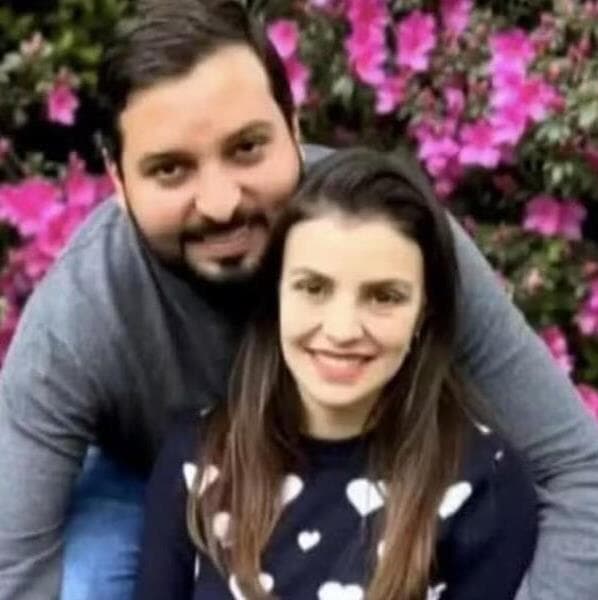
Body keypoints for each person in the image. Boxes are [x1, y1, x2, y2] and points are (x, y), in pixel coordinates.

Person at [0, 1, 596, 599]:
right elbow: (12, 563)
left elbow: (579, 471)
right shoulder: (79, 317)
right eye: (170, 169)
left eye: (246, 148)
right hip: (152, 484)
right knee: (83, 581)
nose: (220, 203)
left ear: (293, 126)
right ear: (117, 178)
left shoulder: (386, 237)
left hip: (386, 473)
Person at [134, 147, 538, 600]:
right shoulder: (197, 458)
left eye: (384, 297)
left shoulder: (484, 484)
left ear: (424, 311)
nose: (343, 330)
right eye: (313, 287)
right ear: (276, 294)